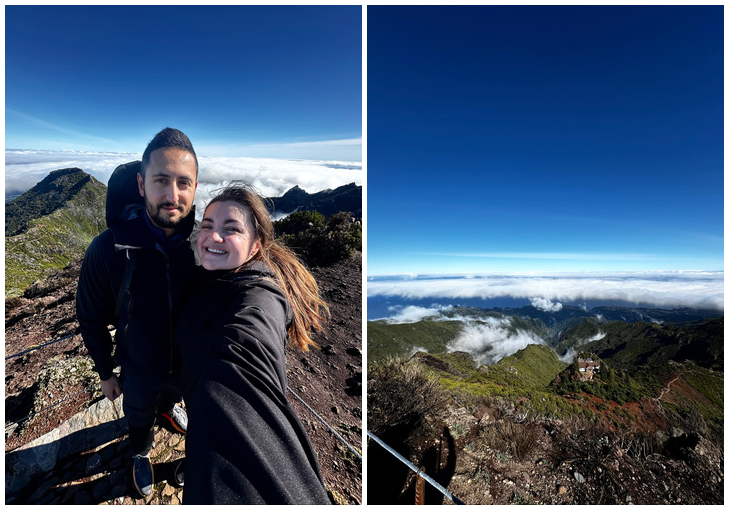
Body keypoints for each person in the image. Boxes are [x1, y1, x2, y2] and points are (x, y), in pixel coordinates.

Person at [175, 182, 331, 504]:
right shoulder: (209, 276)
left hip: (209, 406)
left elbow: (246, 355)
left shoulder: (260, 295)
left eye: (230, 229)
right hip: (193, 401)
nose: (213, 237)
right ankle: (194, 459)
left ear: (255, 246)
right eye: (207, 226)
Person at [76, 127, 199, 497]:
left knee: (170, 399)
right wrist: (104, 371)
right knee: (137, 413)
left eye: (183, 183)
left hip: (188, 366)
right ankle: (141, 453)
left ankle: (167, 409)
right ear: (142, 184)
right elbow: (91, 315)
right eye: (161, 180)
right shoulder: (108, 249)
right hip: (138, 367)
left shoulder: (206, 246)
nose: (172, 195)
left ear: (195, 187)